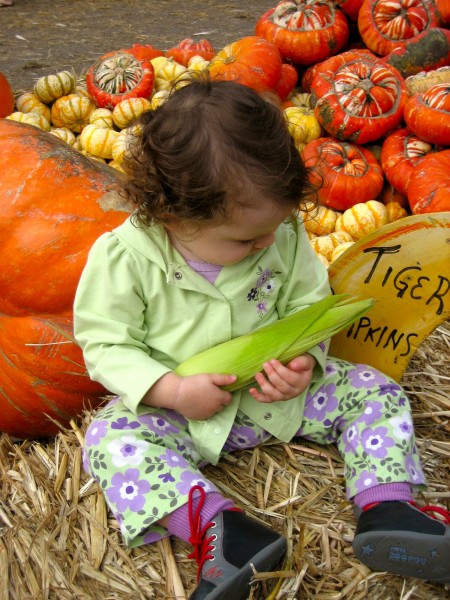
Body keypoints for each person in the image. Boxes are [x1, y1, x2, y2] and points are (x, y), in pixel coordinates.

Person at [73, 76, 450, 599]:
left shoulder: (282, 235)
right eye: (248, 239)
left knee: (373, 389)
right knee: (109, 438)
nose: (268, 243)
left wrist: (304, 364)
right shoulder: (124, 258)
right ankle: (223, 531)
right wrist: (172, 391)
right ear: (172, 214)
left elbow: (307, 308)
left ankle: (387, 505)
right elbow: (105, 343)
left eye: (278, 226)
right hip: (185, 411)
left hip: (277, 399)